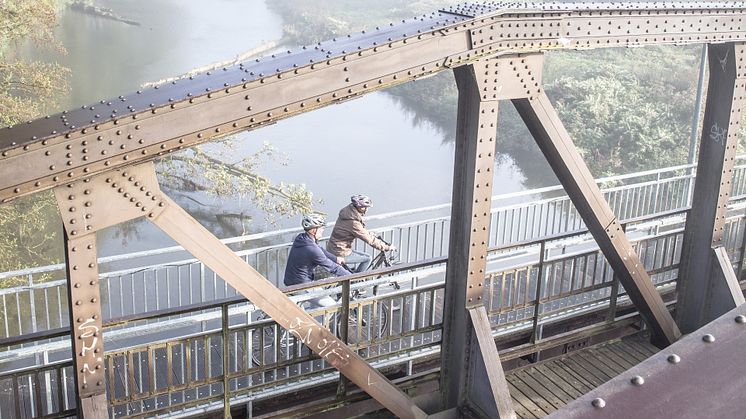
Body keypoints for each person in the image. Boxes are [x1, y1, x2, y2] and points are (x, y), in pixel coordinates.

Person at [284, 214, 351, 308]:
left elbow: (320, 250)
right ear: (314, 230)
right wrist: (352, 277)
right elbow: (333, 267)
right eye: (322, 229)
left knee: (316, 305)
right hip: (303, 286)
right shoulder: (311, 248)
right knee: (332, 306)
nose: (323, 231)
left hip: (291, 282)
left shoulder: (301, 238)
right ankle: (316, 323)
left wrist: (335, 258)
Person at [327, 194, 395, 273]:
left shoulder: (348, 213)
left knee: (361, 257)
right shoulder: (353, 222)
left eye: (367, 207)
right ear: (357, 206)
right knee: (367, 258)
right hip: (339, 252)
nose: (366, 210)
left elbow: (359, 231)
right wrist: (386, 247)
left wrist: (369, 233)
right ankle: (356, 281)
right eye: (364, 207)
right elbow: (370, 240)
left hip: (334, 248)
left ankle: (353, 277)